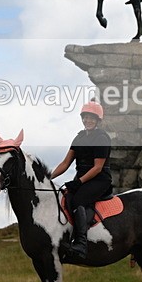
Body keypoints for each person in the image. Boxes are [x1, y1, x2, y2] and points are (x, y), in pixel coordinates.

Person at [51, 100, 112, 258]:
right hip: (83, 179)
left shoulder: (102, 138)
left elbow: (97, 168)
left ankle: (81, 244)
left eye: (91, 117)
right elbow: (65, 163)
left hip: (99, 180)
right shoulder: (79, 138)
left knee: (78, 200)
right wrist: (48, 177)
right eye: (85, 117)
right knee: (66, 198)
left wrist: (78, 182)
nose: (87, 120)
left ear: (98, 120)